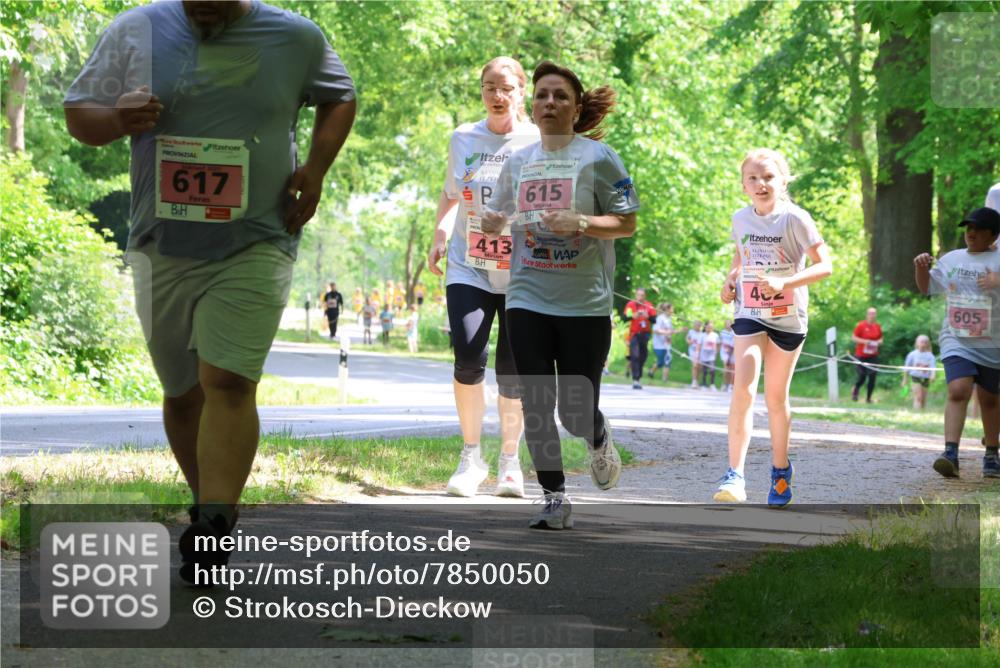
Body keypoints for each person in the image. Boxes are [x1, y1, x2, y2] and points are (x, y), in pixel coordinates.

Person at [64, 0, 356, 582]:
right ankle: (210, 502)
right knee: (182, 392)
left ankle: (213, 530)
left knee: (226, 378)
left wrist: (317, 167)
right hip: (160, 240)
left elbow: (339, 95)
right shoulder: (136, 30)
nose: (201, 7)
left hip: (259, 236)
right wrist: (118, 119)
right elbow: (79, 114)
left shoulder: (295, 37)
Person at [482, 60, 639, 529]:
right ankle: (554, 498)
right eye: (542, 95)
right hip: (527, 295)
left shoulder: (600, 157)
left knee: (574, 411)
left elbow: (627, 222)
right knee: (536, 402)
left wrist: (584, 222)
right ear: (533, 106)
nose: (550, 103)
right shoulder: (519, 160)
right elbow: (497, 215)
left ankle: (596, 434)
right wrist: (493, 222)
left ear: (576, 109)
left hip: (584, 301)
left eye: (560, 96)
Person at [426, 56, 539, 499]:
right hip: (468, 263)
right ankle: (471, 457)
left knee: (512, 371)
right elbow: (453, 191)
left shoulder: (537, 140)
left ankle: (510, 462)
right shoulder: (463, 138)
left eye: (507, 87)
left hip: (522, 271)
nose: (498, 95)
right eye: (490, 86)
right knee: (468, 355)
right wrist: (440, 229)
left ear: (521, 93)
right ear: (481, 91)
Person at [715, 148, 832, 506]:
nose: (761, 184)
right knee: (743, 389)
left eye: (768, 177)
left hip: (788, 316)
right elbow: (741, 254)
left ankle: (780, 471)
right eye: (753, 178)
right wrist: (730, 278)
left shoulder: (795, 218)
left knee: (775, 398)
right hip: (750, 310)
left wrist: (787, 283)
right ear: (743, 185)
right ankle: (734, 475)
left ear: (783, 180)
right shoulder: (740, 219)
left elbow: (825, 265)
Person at [914, 206, 1000, 479]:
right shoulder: (952, 259)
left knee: (989, 399)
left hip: (992, 343)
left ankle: (992, 455)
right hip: (957, 338)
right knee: (958, 389)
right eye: (968, 228)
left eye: (978, 229)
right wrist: (922, 269)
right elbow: (927, 288)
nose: (971, 233)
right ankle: (950, 453)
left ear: (993, 236)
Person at [624, 287, 656, 389]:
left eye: (642, 295)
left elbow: (654, 320)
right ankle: (635, 379)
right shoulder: (631, 305)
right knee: (635, 355)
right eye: (638, 295)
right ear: (635, 295)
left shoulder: (649, 305)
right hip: (634, 334)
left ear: (645, 296)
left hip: (645, 334)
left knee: (643, 356)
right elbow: (625, 317)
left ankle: (638, 376)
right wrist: (632, 316)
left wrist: (648, 317)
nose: (640, 297)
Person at [851, 307, 883, 403]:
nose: (872, 316)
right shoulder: (861, 325)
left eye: (874, 314)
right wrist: (866, 342)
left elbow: (881, 339)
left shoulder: (877, 326)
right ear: (867, 315)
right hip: (861, 355)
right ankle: (855, 392)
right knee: (862, 376)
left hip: (873, 356)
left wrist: (877, 343)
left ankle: (868, 398)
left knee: (872, 377)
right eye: (870, 313)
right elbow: (853, 338)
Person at [902, 334, 936, 411]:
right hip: (915, 377)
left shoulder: (930, 356)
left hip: (926, 378)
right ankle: (916, 412)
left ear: (927, 344)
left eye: (925, 342)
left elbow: (933, 367)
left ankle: (922, 413)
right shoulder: (912, 354)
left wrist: (933, 376)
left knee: (923, 398)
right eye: (921, 342)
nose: (923, 344)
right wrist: (905, 379)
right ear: (917, 343)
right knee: (918, 397)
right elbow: (906, 367)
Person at [650, 302, 674, 382]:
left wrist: (669, 337)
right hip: (659, 344)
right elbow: (656, 330)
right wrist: (666, 333)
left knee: (668, 361)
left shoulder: (669, 320)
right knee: (660, 362)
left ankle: (665, 378)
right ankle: (651, 371)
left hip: (667, 345)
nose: (672, 311)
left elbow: (670, 331)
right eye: (671, 309)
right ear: (667, 309)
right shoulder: (660, 318)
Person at [699, 321, 719, 390]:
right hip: (703, 355)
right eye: (708, 327)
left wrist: (716, 353)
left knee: (712, 370)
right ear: (705, 327)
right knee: (704, 370)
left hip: (712, 356)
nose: (710, 328)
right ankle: (703, 384)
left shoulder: (715, 335)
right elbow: (699, 345)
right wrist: (697, 355)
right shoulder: (702, 335)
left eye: (711, 327)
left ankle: (712, 384)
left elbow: (718, 344)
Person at [686, 320, 703, 388]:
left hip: (700, 351)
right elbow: (687, 339)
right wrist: (689, 341)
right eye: (695, 325)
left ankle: (697, 380)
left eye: (698, 325)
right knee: (694, 365)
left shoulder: (702, 333)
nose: (697, 326)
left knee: (699, 367)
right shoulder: (691, 332)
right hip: (692, 350)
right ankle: (694, 381)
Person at [720, 319, 736, 392]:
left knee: (732, 370)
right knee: (726, 368)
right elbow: (721, 342)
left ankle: (731, 385)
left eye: (729, 323)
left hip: (733, 352)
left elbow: (734, 344)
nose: (728, 325)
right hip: (724, 352)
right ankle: (724, 384)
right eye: (727, 323)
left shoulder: (734, 333)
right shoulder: (722, 332)